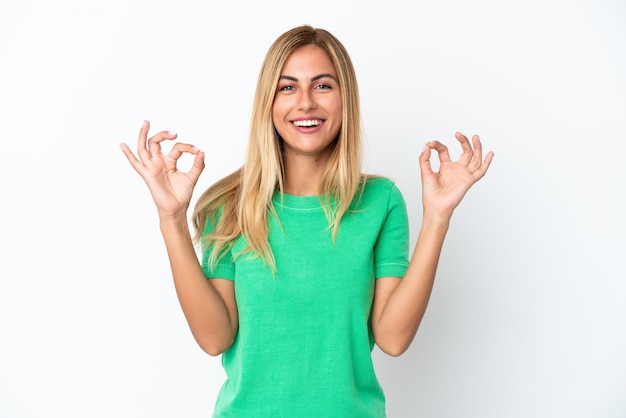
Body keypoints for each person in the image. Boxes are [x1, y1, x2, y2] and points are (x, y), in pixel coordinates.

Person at [120, 25, 493, 418]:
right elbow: (215, 338)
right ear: (269, 102)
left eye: (323, 86)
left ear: (345, 99)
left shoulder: (380, 202)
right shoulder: (229, 204)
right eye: (287, 87)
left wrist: (437, 216)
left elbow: (393, 338)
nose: (305, 103)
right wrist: (171, 218)